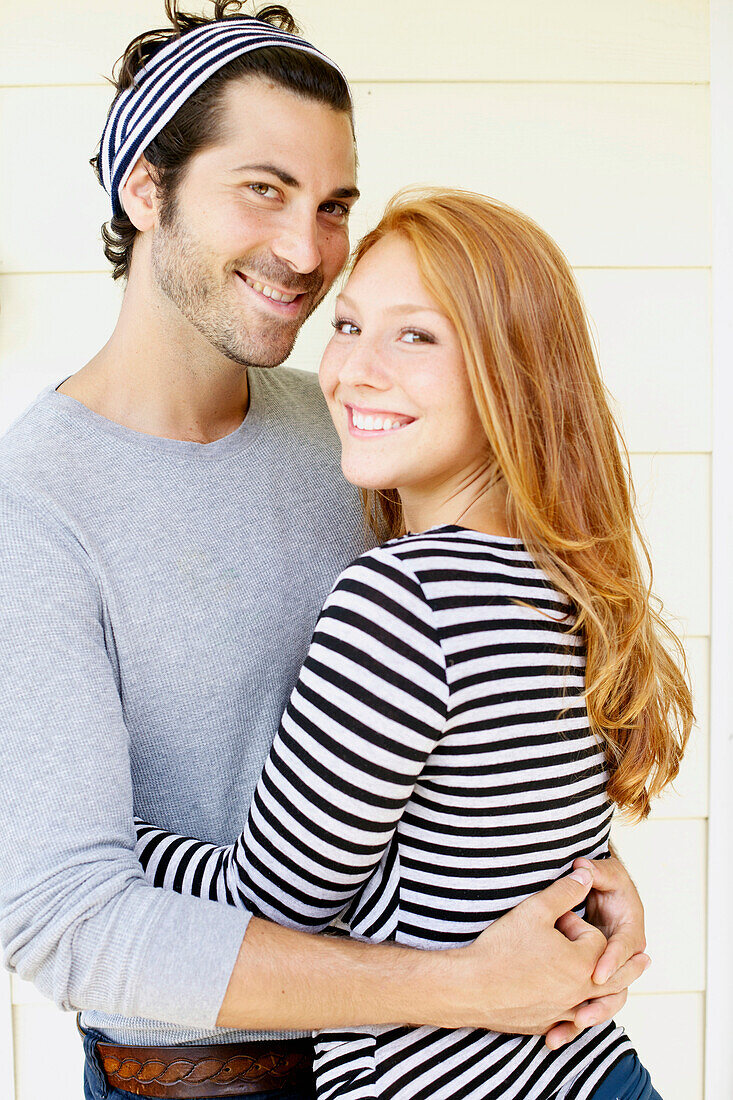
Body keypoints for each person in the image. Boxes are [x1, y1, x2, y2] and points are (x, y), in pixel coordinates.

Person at [0, 3, 649, 1099]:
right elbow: (65, 916)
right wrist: (467, 986)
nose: (305, 250)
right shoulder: (34, 506)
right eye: (263, 188)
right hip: (210, 1075)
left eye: (333, 203)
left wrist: (582, 884)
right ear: (146, 190)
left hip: (485, 1065)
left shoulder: (357, 426)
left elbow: (475, 722)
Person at [135, 189, 693, 1098]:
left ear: (511, 372)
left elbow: (273, 902)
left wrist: (99, 839)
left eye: (415, 336)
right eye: (348, 326)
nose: (354, 370)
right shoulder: (566, 577)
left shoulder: (403, 598)